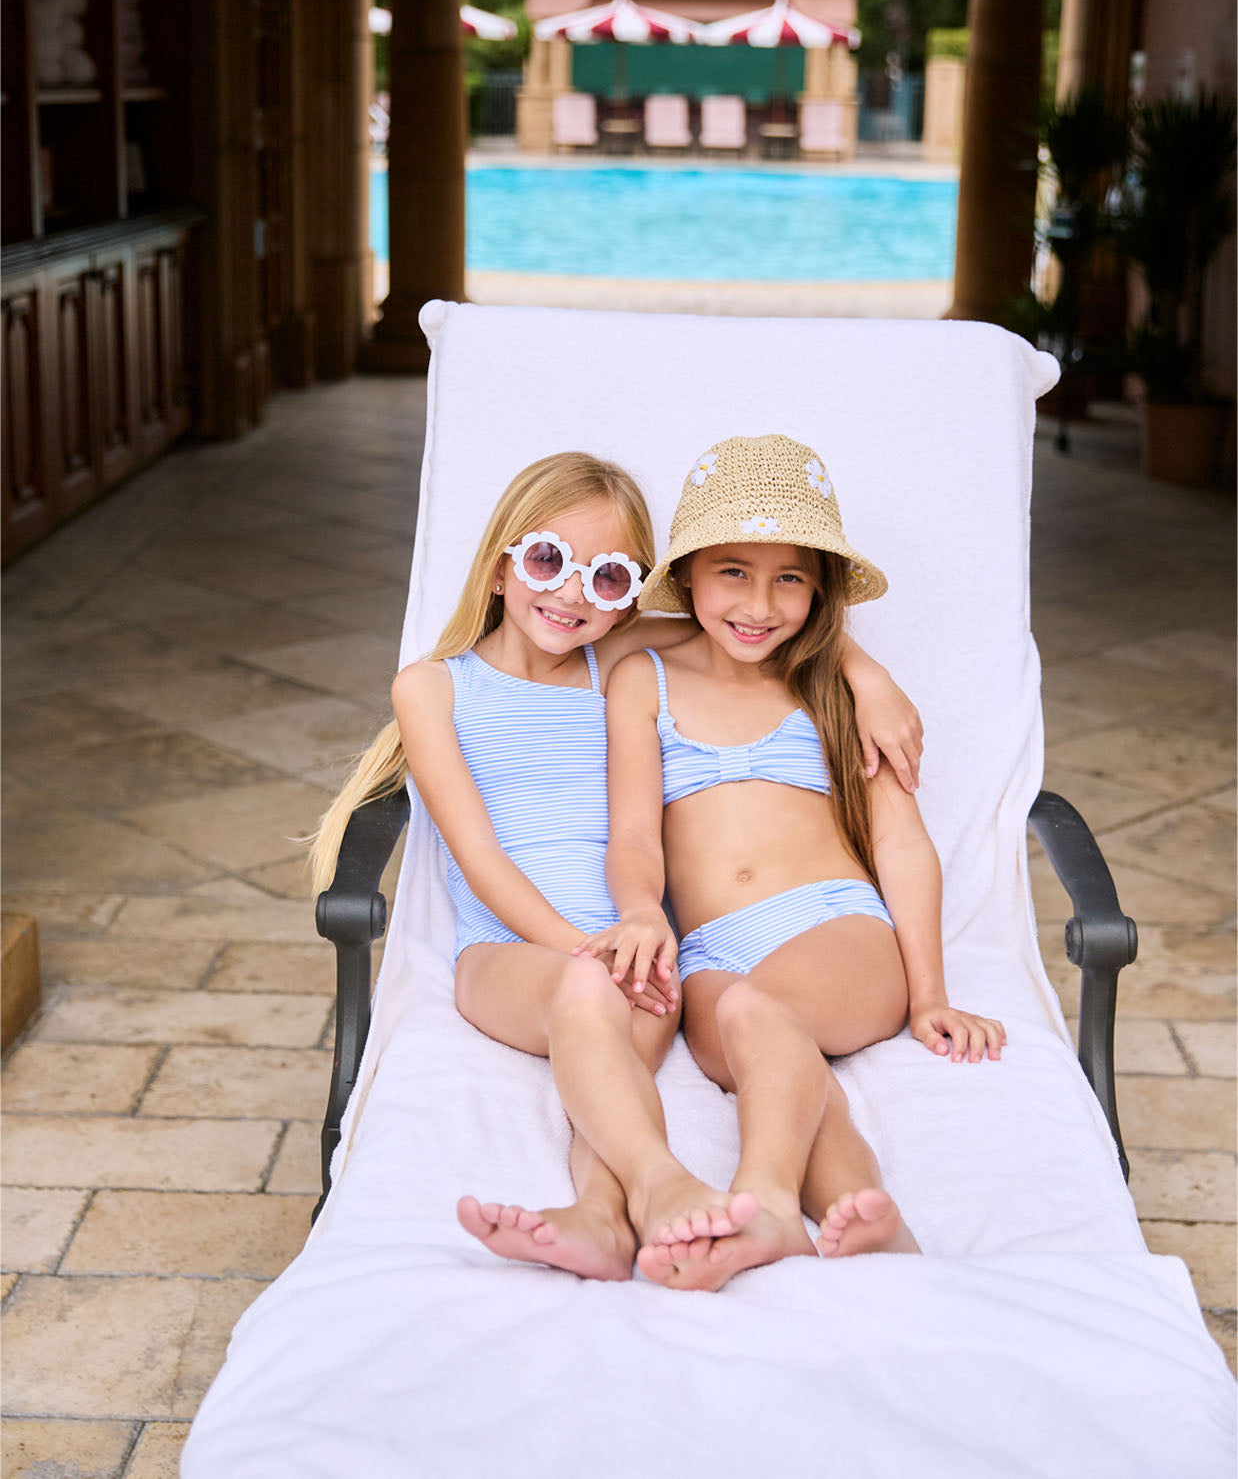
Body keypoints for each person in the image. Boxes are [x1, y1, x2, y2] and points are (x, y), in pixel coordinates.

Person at [312, 449, 925, 1282]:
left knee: (644, 1052)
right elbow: (480, 856)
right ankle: (660, 1184)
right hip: (511, 952)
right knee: (583, 995)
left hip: (636, 957)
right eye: (546, 560)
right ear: (499, 566)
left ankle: (608, 1221)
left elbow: (762, 634)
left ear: (629, 598)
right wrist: (583, 949)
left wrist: (869, 674)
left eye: (605, 578)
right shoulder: (432, 688)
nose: (571, 594)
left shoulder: (616, 663)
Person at [588, 434, 1005, 1292]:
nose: (759, 603)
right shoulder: (643, 679)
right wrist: (639, 911)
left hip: (836, 928)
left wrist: (930, 995)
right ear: (689, 575)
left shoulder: (833, 690)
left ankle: (765, 1203)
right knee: (768, 1053)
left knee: (760, 1012)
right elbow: (632, 836)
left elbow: (900, 842)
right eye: (732, 571)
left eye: (790, 578)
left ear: (819, 592)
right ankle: (865, 1214)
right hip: (711, 951)